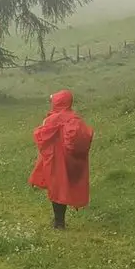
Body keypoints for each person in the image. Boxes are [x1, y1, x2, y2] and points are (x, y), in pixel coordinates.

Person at [28, 89, 94, 229]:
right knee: (65, 187)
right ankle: (59, 221)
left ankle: (59, 222)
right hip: (72, 161)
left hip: (56, 160)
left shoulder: (53, 119)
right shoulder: (76, 118)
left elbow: (40, 137)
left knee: (57, 189)